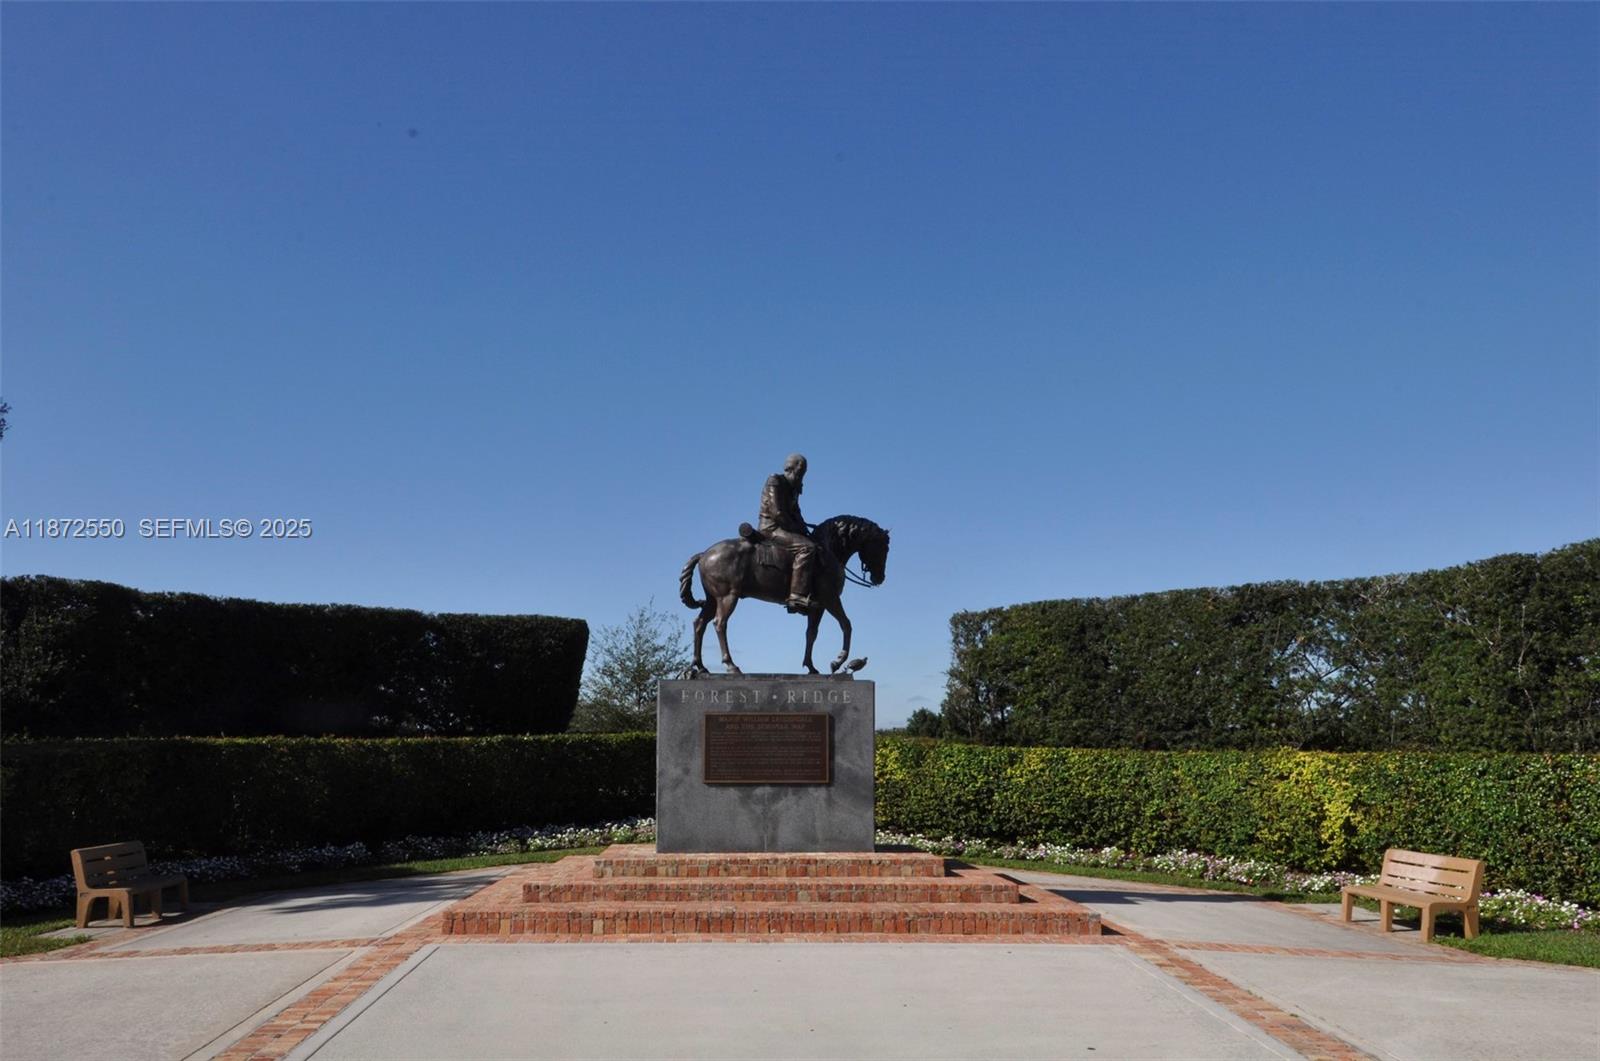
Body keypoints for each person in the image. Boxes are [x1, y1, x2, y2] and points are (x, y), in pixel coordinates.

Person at [758, 453, 817, 613]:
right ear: (791, 469)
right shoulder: (775, 481)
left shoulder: (794, 489)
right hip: (771, 528)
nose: (801, 476)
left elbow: (796, 513)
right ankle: (796, 595)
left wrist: (805, 530)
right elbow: (777, 513)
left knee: (813, 544)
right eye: (800, 472)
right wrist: (798, 531)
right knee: (807, 548)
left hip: (785, 528)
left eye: (803, 472)